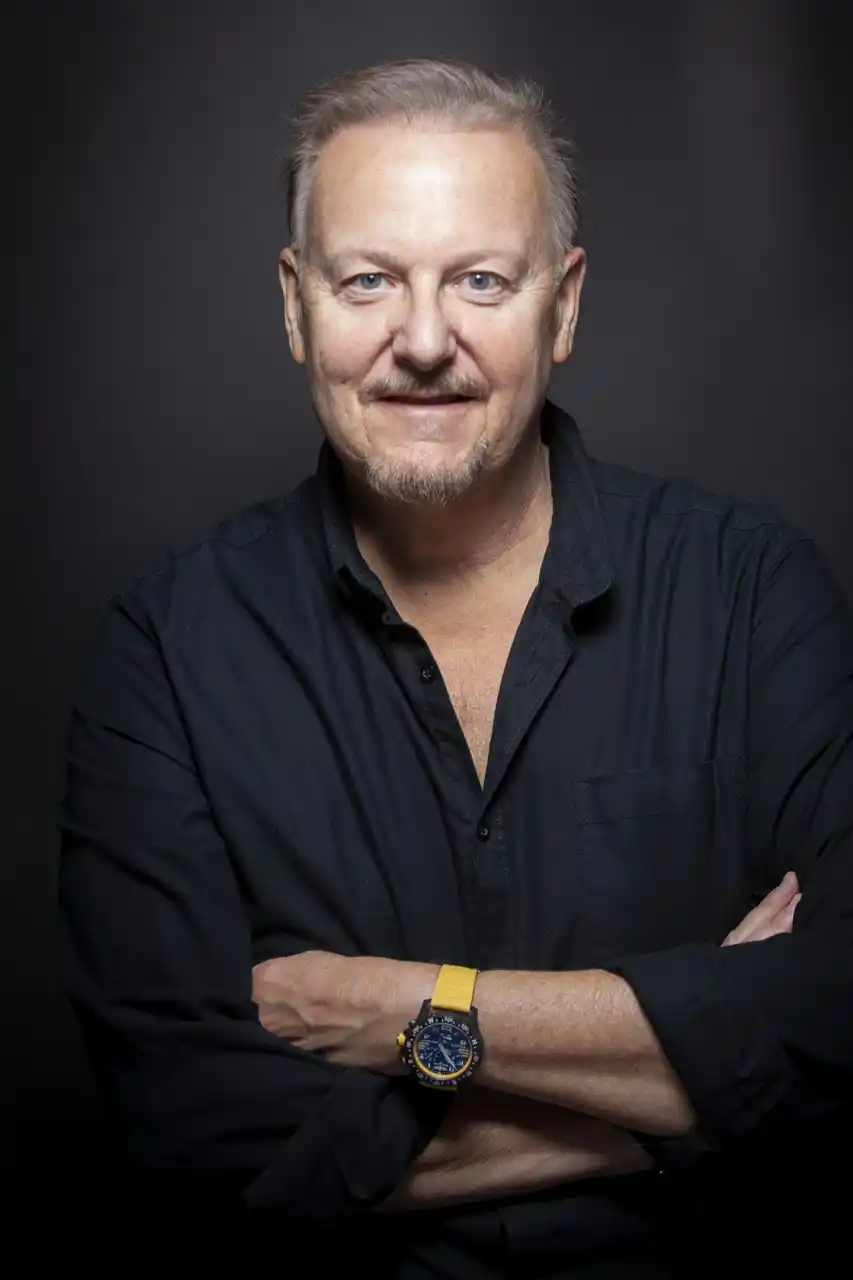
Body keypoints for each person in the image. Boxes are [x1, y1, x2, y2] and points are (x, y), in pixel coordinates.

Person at [57, 57, 852, 1278]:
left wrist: (409, 1010)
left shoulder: (750, 590)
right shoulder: (167, 644)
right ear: (295, 305)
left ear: (563, 307)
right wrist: (691, 1091)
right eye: (368, 280)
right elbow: (181, 1128)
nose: (423, 341)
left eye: (480, 280)